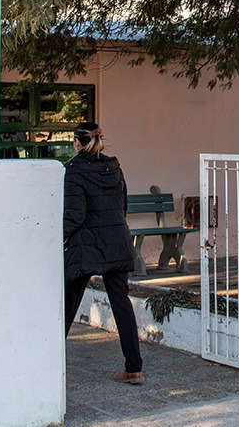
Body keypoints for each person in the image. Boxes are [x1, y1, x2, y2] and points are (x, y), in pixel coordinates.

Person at [63, 122, 144, 384]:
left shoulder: (73, 171)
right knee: (122, 304)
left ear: (77, 142)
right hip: (117, 242)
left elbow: (75, 216)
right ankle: (134, 369)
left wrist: (55, 238)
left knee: (67, 304)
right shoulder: (114, 167)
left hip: (86, 247)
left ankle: (50, 365)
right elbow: (123, 204)